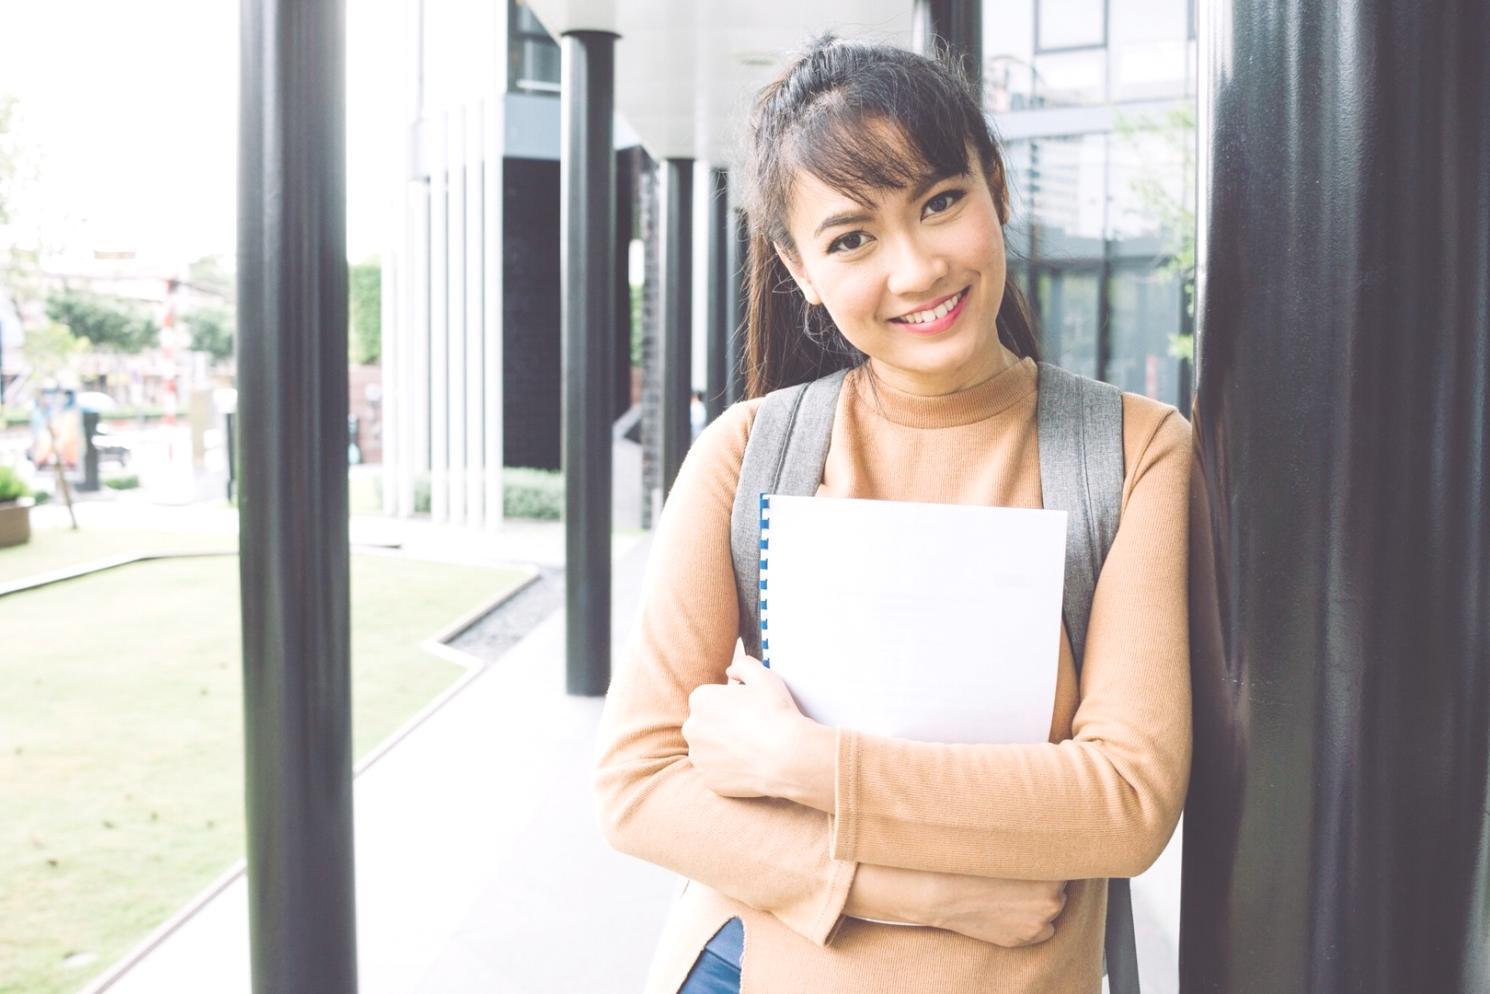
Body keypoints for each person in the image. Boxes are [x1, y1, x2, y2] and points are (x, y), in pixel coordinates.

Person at [593, 32, 1192, 994]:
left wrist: (806, 763)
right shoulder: (748, 453)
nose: (915, 269)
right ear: (798, 268)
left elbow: (1126, 800)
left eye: (940, 202)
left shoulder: (1134, 451)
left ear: (995, 185)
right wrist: (918, 892)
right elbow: (636, 786)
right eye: (852, 238)